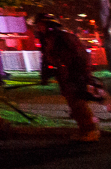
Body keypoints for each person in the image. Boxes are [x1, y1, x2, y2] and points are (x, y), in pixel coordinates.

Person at [36, 12, 105, 142]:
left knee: (78, 103)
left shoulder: (63, 38)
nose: (39, 28)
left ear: (49, 25)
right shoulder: (48, 40)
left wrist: (81, 74)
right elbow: (47, 59)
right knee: (73, 104)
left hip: (75, 75)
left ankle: (91, 130)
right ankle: (84, 130)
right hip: (65, 76)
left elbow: (81, 56)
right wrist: (45, 75)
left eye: (41, 25)